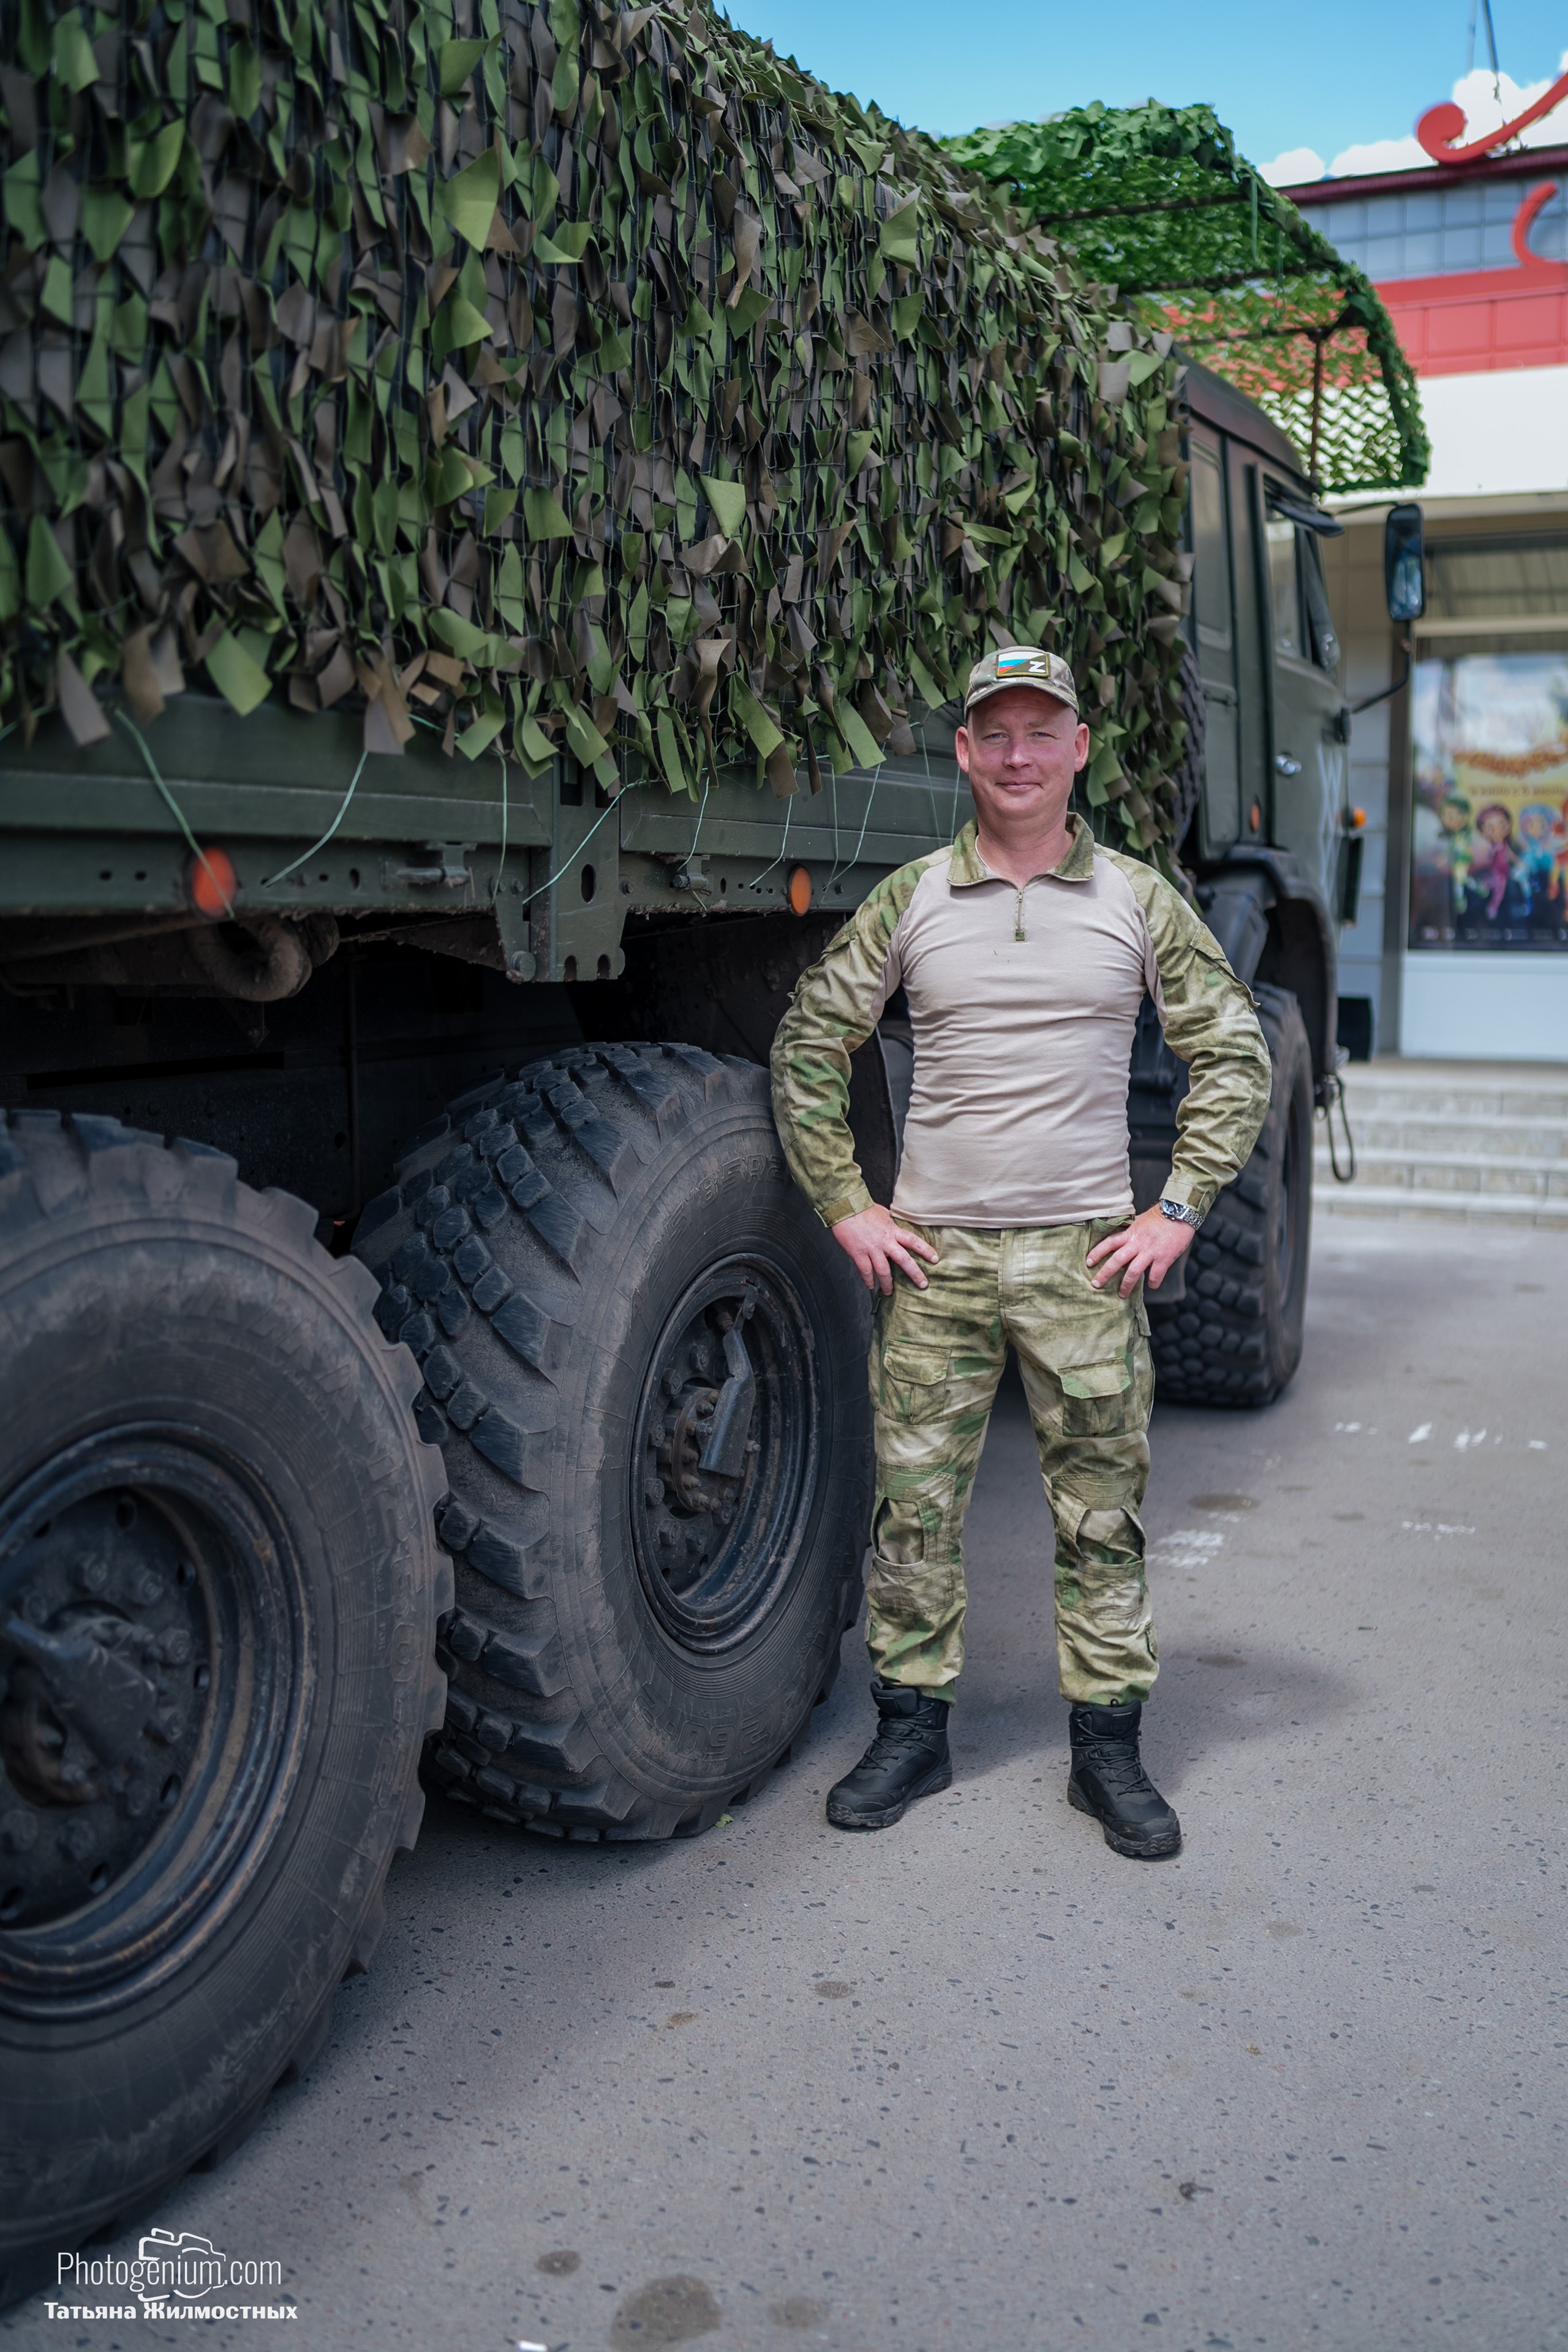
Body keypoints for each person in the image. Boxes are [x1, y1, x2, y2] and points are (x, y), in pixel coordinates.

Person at [769, 642, 1272, 1858]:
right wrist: (846, 1204)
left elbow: (1234, 1054)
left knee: (1098, 1513)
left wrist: (1176, 1209)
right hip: (933, 1263)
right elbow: (805, 1042)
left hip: (1081, 1262)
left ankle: (1105, 1755)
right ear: (962, 751)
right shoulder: (911, 901)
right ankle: (910, 1732)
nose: (1015, 753)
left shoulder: (1136, 900)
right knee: (914, 1514)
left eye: (1039, 730)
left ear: (1076, 748)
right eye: (993, 731)